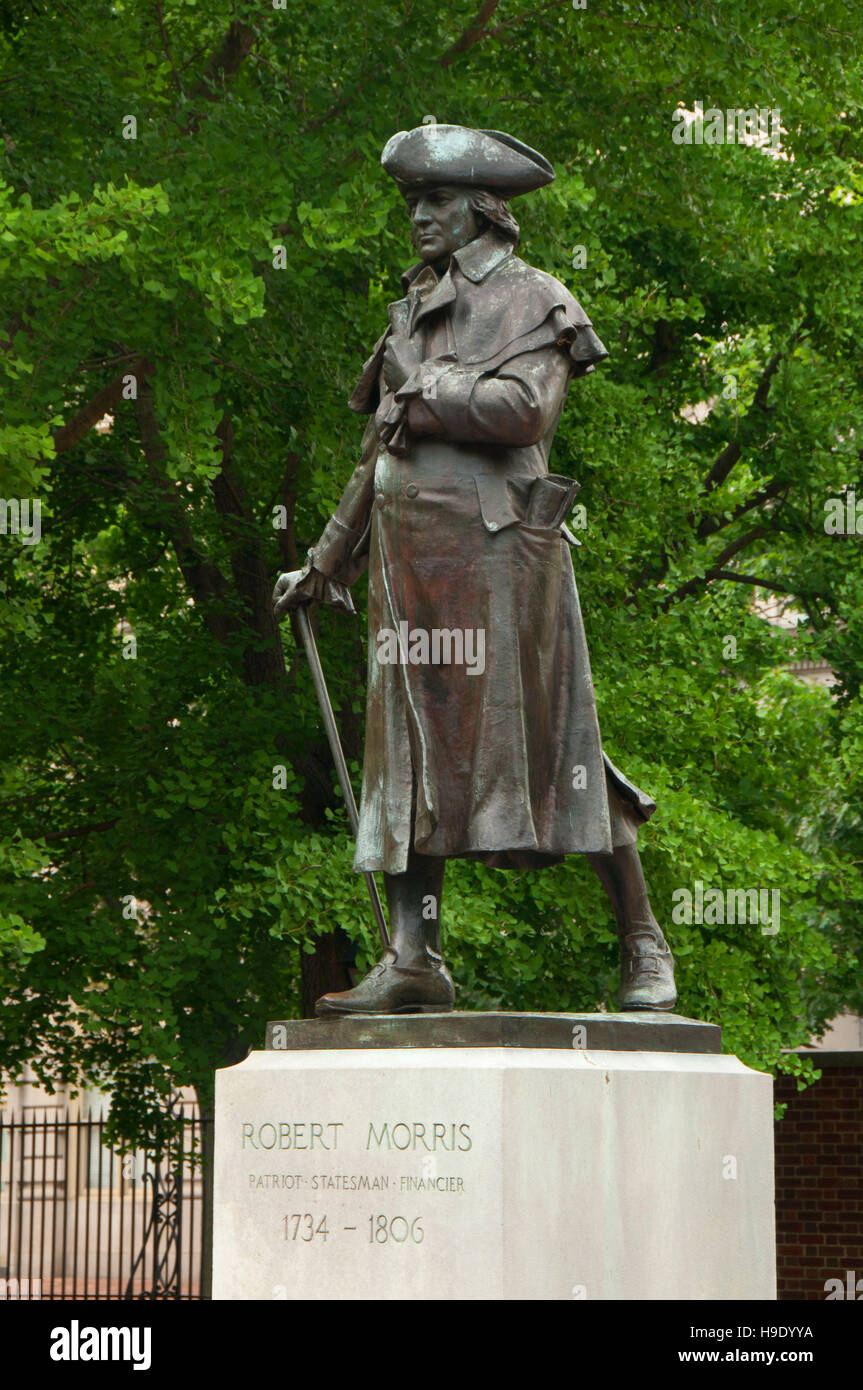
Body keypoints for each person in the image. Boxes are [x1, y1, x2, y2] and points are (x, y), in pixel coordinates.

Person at [273, 124, 676, 1017]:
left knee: (549, 745)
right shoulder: (409, 307)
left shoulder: (535, 299)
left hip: (500, 557)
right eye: (413, 201)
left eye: (437, 201)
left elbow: (523, 410)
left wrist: (426, 393)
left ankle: (643, 944)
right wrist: (326, 557)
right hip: (410, 565)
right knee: (410, 754)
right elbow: (375, 447)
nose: (419, 216)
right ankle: (415, 956)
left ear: (483, 210)